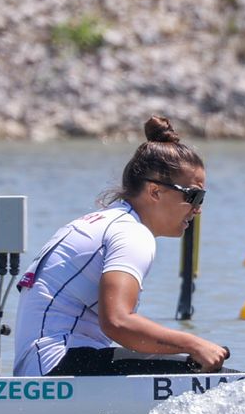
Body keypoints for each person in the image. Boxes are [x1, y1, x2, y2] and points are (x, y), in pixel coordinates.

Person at [12, 115, 230, 377]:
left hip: (46, 366)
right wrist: (194, 343)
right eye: (194, 195)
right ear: (155, 192)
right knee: (218, 376)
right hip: (60, 367)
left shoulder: (107, 222)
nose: (198, 209)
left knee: (194, 363)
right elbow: (118, 322)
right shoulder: (132, 234)